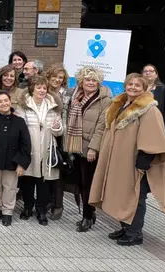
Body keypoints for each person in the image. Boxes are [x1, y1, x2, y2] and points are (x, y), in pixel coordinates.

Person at [90, 73, 165, 246]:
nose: (133, 87)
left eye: (137, 85)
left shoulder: (149, 109)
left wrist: (144, 159)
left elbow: (154, 135)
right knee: (123, 194)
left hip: (136, 161)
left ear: (144, 88)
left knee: (136, 196)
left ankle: (135, 232)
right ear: (125, 86)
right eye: (130, 84)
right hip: (119, 160)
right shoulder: (119, 105)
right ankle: (125, 226)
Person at [63, 66, 112, 232]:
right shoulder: (75, 96)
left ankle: (87, 216)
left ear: (98, 82)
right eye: (87, 79)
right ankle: (89, 214)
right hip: (74, 145)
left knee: (88, 183)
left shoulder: (104, 98)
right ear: (81, 82)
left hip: (90, 148)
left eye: (93, 80)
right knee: (80, 181)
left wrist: (93, 148)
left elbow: (102, 125)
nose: (90, 83)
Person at [14, 75, 63, 226]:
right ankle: (27, 208)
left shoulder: (53, 106)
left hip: (47, 149)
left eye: (44, 88)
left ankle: (41, 210)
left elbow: (60, 130)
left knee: (44, 182)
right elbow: (19, 129)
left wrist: (57, 128)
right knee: (28, 181)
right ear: (32, 89)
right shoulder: (23, 105)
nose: (42, 90)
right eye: (39, 87)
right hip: (29, 149)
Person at [0, 92, 30, 227]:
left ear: (10, 102)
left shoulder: (19, 121)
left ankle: (8, 211)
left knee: (9, 186)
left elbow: (26, 143)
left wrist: (21, 163)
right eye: (0, 101)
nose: (4, 103)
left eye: (6, 100)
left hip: (12, 160)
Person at [142, 64, 165, 135]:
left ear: (156, 75)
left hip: (157, 127)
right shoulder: (137, 89)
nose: (148, 73)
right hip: (139, 126)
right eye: (145, 71)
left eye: (151, 71)